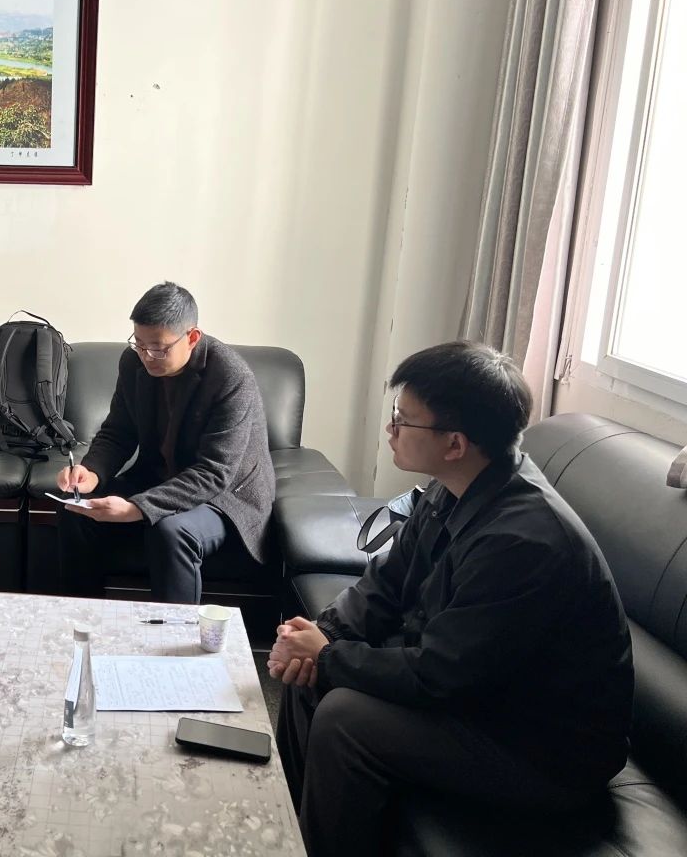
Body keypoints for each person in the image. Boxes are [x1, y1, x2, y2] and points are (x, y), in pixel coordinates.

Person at [269, 341, 634, 857]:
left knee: (343, 716)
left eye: (403, 420)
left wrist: (328, 657)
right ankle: (289, 834)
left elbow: (441, 675)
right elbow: (385, 584)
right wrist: (322, 634)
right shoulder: (452, 487)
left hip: (542, 749)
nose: (390, 429)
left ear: (455, 443)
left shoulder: (523, 542)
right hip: (485, 697)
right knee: (309, 676)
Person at [55, 282, 275, 604]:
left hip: (224, 496)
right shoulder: (132, 363)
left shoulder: (230, 376)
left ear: (192, 337)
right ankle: (82, 618)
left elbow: (214, 473)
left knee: (171, 530)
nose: (147, 356)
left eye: (158, 348)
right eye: (139, 344)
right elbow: (118, 432)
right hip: (159, 478)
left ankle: (174, 634)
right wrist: (91, 472)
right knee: (76, 510)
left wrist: (138, 508)